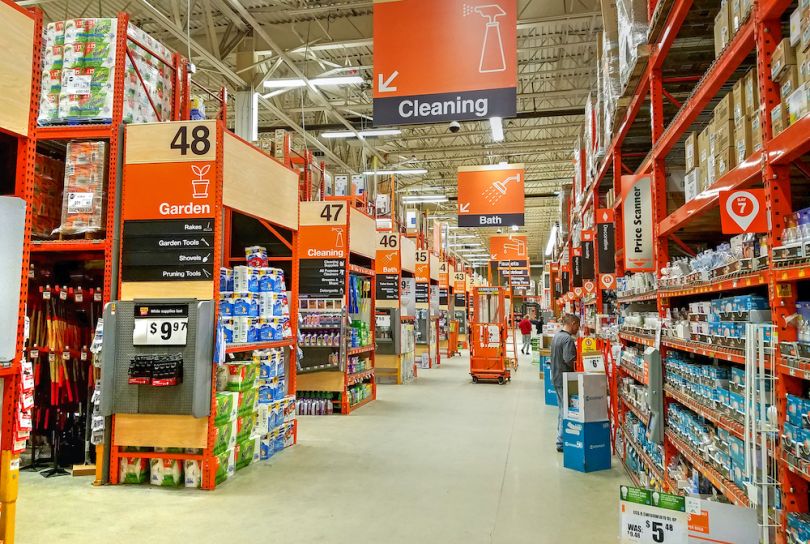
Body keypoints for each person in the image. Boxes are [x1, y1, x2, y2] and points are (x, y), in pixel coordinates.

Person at [550, 314, 580, 452]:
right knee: (565, 410)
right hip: (564, 378)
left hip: (555, 376)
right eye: (577, 326)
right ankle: (561, 442)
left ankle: (560, 437)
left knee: (561, 408)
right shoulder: (567, 339)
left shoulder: (557, 336)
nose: (578, 329)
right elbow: (569, 359)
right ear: (573, 323)